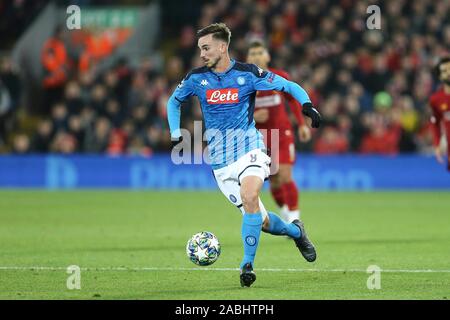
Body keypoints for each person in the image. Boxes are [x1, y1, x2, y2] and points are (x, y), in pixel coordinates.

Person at [166, 23, 321, 287]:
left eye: (206, 48)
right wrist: (175, 132)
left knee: (250, 195)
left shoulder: (248, 73)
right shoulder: (196, 78)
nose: (201, 54)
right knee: (260, 220)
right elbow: (174, 101)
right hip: (220, 162)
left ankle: (246, 265)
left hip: (250, 148)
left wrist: (307, 105)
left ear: (222, 47)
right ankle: (296, 231)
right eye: (200, 49)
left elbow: (287, 85)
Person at [246, 40, 311, 223]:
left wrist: (302, 124)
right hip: (260, 139)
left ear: (267, 56)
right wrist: (252, 117)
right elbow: (236, 111)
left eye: (260, 52)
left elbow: (292, 100)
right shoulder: (244, 83)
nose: (256, 56)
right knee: (274, 182)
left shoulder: (278, 77)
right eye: (252, 53)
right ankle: (285, 211)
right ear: (247, 58)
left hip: (282, 135)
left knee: (285, 174)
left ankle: (295, 220)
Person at [429, 56, 450, 171]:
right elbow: (435, 123)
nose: (448, 73)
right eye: (444, 71)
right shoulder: (436, 99)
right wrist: (437, 145)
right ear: (440, 76)